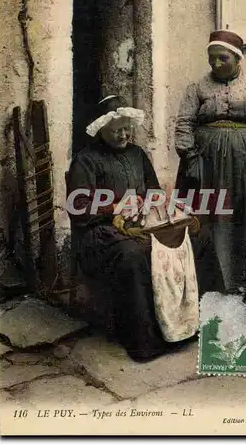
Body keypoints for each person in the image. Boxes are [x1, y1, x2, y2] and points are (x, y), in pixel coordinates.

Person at [67, 95, 197, 362]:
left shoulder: (138, 154)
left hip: (138, 225)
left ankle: (180, 328)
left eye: (127, 128)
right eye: (116, 130)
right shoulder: (86, 160)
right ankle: (144, 342)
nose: (124, 134)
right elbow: (78, 206)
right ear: (102, 130)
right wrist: (115, 206)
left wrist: (161, 207)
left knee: (188, 238)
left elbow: (154, 192)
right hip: (98, 233)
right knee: (135, 255)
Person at [175, 30, 246, 303]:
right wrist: (190, 158)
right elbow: (184, 124)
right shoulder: (198, 88)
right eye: (211, 59)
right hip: (206, 165)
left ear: (238, 59)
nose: (215, 64)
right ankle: (209, 282)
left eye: (222, 58)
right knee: (210, 219)